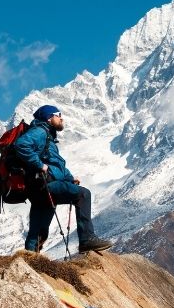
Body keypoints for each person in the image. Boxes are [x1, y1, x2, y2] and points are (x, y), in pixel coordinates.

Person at [13, 105, 114, 253]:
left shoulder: (48, 137)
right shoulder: (40, 132)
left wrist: (70, 178)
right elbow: (21, 145)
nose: (61, 118)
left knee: (38, 229)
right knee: (83, 195)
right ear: (49, 118)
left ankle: (29, 258)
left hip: (37, 188)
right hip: (46, 185)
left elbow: (56, 165)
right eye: (58, 115)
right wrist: (40, 165)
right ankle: (86, 240)